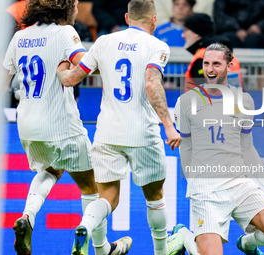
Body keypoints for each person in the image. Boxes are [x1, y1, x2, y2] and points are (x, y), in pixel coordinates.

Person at [3, 1, 131, 254]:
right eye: (73, 4)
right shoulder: (64, 33)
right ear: (63, 8)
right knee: (92, 187)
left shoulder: (20, 36)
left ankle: (27, 216)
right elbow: (83, 62)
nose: (76, 8)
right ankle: (98, 246)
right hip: (61, 124)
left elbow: (1, 81)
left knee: (51, 169)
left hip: (27, 124)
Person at [56, 0, 182, 254]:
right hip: (142, 133)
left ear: (126, 17)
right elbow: (151, 84)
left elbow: (71, 79)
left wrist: (61, 70)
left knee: (107, 198)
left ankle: (85, 226)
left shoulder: (103, 42)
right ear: (154, 20)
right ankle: (160, 252)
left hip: (107, 133)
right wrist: (169, 126)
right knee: (155, 196)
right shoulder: (157, 46)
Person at [172, 43, 264, 255]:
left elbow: (247, 148)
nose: (210, 69)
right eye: (206, 64)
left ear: (229, 65)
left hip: (240, 182)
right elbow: (185, 148)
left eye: (216, 64)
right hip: (206, 189)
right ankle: (184, 236)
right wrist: (195, 183)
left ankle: (247, 244)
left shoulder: (244, 100)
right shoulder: (186, 102)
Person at [182, 13, 242, 91]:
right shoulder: (229, 55)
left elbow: (206, 93)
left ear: (196, 33)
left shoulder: (203, 57)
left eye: (186, 30)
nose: (183, 35)